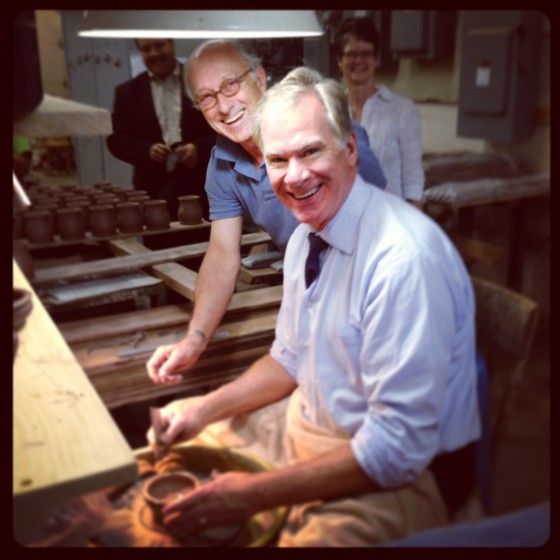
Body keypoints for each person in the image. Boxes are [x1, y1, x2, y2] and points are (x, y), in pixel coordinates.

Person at [145, 66, 481, 547]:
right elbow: (290, 358)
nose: (295, 176)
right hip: (312, 424)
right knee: (187, 448)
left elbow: (397, 450)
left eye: (310, 151)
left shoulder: (402, 260)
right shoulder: (306, 238)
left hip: (404, 471)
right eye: (278, 160)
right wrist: (203, 407)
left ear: (349, 149)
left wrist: (253, 494)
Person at [146, 39, 386, 385]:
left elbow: (382, 226)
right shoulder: (222, 164)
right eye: (207, 97)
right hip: (312, 297)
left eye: (230, 84)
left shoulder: (321, 123)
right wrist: (196, 337)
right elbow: (221, 255)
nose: (224, 106)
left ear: (259, 78)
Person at [106, 38, 216, 220]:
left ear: (172, 44)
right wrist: (146, 150)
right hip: (153, 196)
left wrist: (200, 149)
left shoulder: (202, 82)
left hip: (203, 190)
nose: (154, 53)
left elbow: (225, 130)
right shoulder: (127, 93)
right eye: (147, 49)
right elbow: (116, 140)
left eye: (159, 45)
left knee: (205, 245)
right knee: (160, 246)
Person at [336, 17, 425, 209]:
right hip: (343, 217)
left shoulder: (401, 110)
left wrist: (412, 226)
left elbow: (414, 179)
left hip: (388, 219)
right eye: (351, 54)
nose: (359, 60)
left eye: (366, 53)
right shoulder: (333, 111)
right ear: (340, 60)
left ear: (375, 59)